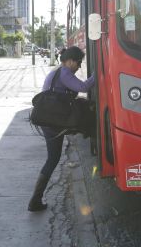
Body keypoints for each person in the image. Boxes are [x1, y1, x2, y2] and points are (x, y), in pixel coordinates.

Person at [28, 46, 95, 212]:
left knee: (54, 157)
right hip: (53, 121)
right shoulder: (65, 72)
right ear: (70, 61)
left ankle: (35, 199)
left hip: (50, 118)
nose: (79, 66)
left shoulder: (58, 71)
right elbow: (84, 87)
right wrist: (98, 74)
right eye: (78, 63)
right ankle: (35, 200)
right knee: (52, 159)